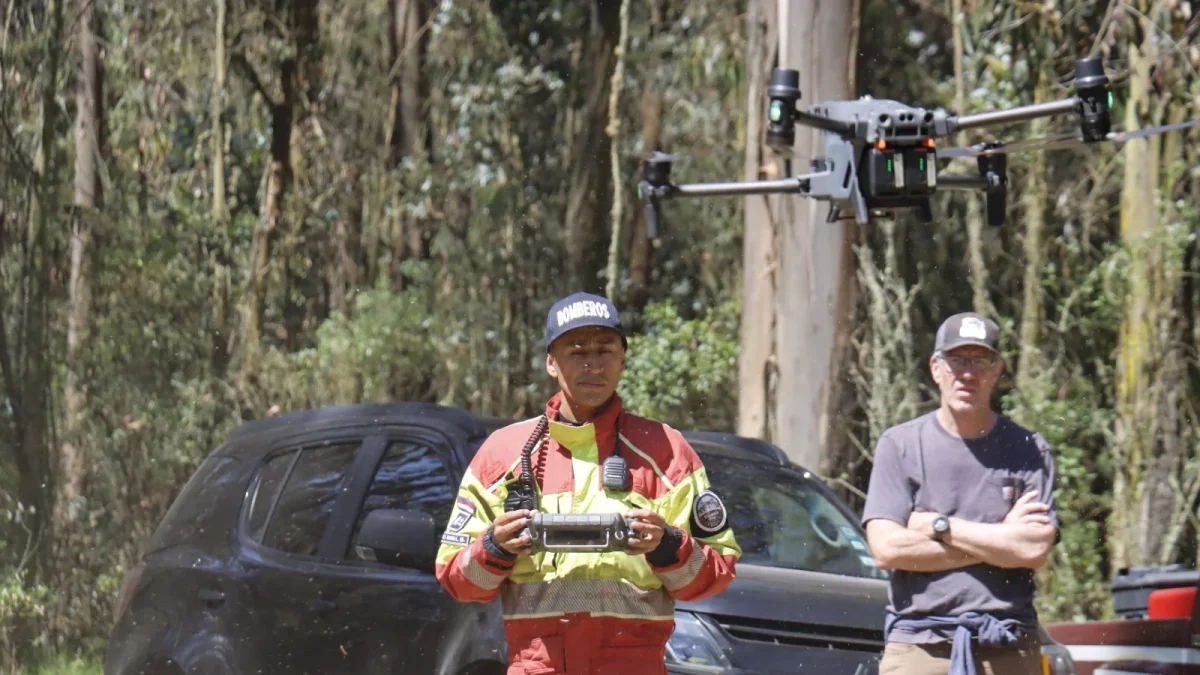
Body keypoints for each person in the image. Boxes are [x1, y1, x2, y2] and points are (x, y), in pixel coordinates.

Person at [435, 291, 741, 675]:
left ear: (623, 360)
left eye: (605, 350)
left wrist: (668, 545)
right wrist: (495, 548)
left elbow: (717, 573)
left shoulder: (667, 451)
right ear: (551, 362)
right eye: (577, 352)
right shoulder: (503, 453)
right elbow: (457, 579)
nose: (593, 365)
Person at [861, 312, 1059, 675]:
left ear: (997, 371)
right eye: (957, 360)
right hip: (920, 646)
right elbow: (887, 550)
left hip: (1009, 646)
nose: (968, 373)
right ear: (936, 368)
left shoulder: (1030, 450)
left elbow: (1031, 549)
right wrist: (1001, 542)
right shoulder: (901, 445)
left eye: (981, 361)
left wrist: (939, 526)